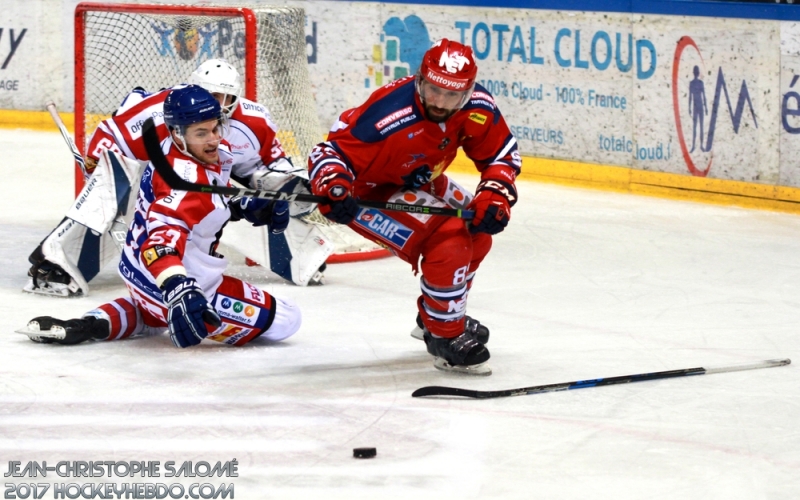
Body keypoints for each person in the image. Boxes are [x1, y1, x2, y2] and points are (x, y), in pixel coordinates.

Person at [18, 85, 301, 347]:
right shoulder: (183, 184)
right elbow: (159, 245)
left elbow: (206, 202)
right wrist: (180, 290)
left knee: (154, 314)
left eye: (216, 128)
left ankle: (93, 323)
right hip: (173, 282)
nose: (214, 139)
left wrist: (244, 206)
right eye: (201, 133)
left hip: (136, 275)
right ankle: (170, 306)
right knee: (288, 318)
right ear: (177, 133)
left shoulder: (171, 150)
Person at [24, 59, 329, 298]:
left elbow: (271, 166)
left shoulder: (255, 121)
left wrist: (278, 183)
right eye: (213, 95)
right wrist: (98, 165)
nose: (219, 104)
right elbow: (111, 134)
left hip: (210, 183)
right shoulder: (162, 110)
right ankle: (57, 258)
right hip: (156, 180)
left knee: (254, 202)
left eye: (227, 97)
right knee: (116, 182)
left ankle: (303, 255)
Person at [307, 39, 521, 375]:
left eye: (452, 95)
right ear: (420, 79)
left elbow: (501, 155)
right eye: (434, 90)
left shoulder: (478, 106)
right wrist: (333, 185)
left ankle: (437, 316)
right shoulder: (388, 113)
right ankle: (444, 335)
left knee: (478, 229)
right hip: (367, 188)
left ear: (467, 92)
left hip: (416, 176)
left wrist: (495, 194)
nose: (440, 102)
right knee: (450, 239)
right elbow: (329, 153)